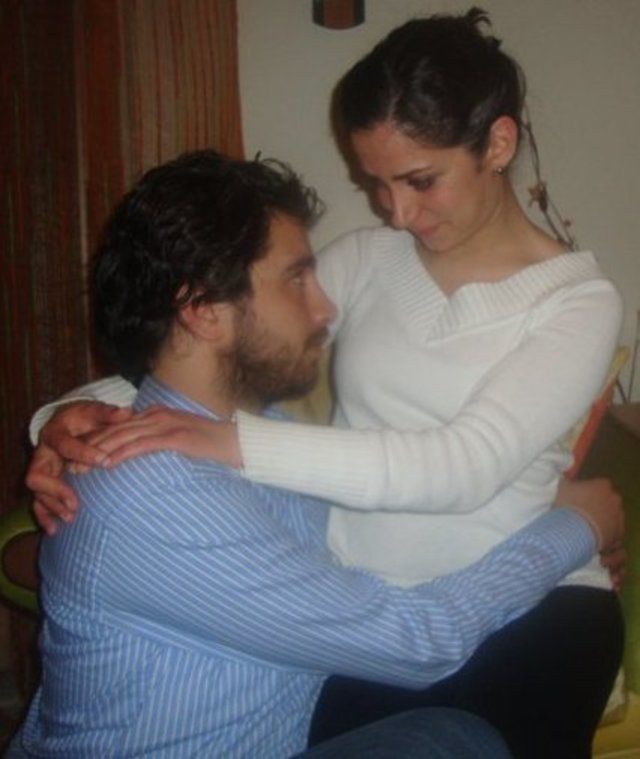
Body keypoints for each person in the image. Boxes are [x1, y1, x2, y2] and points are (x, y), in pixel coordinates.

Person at [26, 9, 624, 759]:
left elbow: (463, 464)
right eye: (376, 184)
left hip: (529, 599)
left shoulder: (576, 301)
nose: (398, 212)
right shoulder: (373, 258)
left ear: (497, 145)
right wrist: (72, 415)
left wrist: (576, 527)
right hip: (372, 606)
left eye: (420, 180)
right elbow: (225, 344)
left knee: (463, 742)